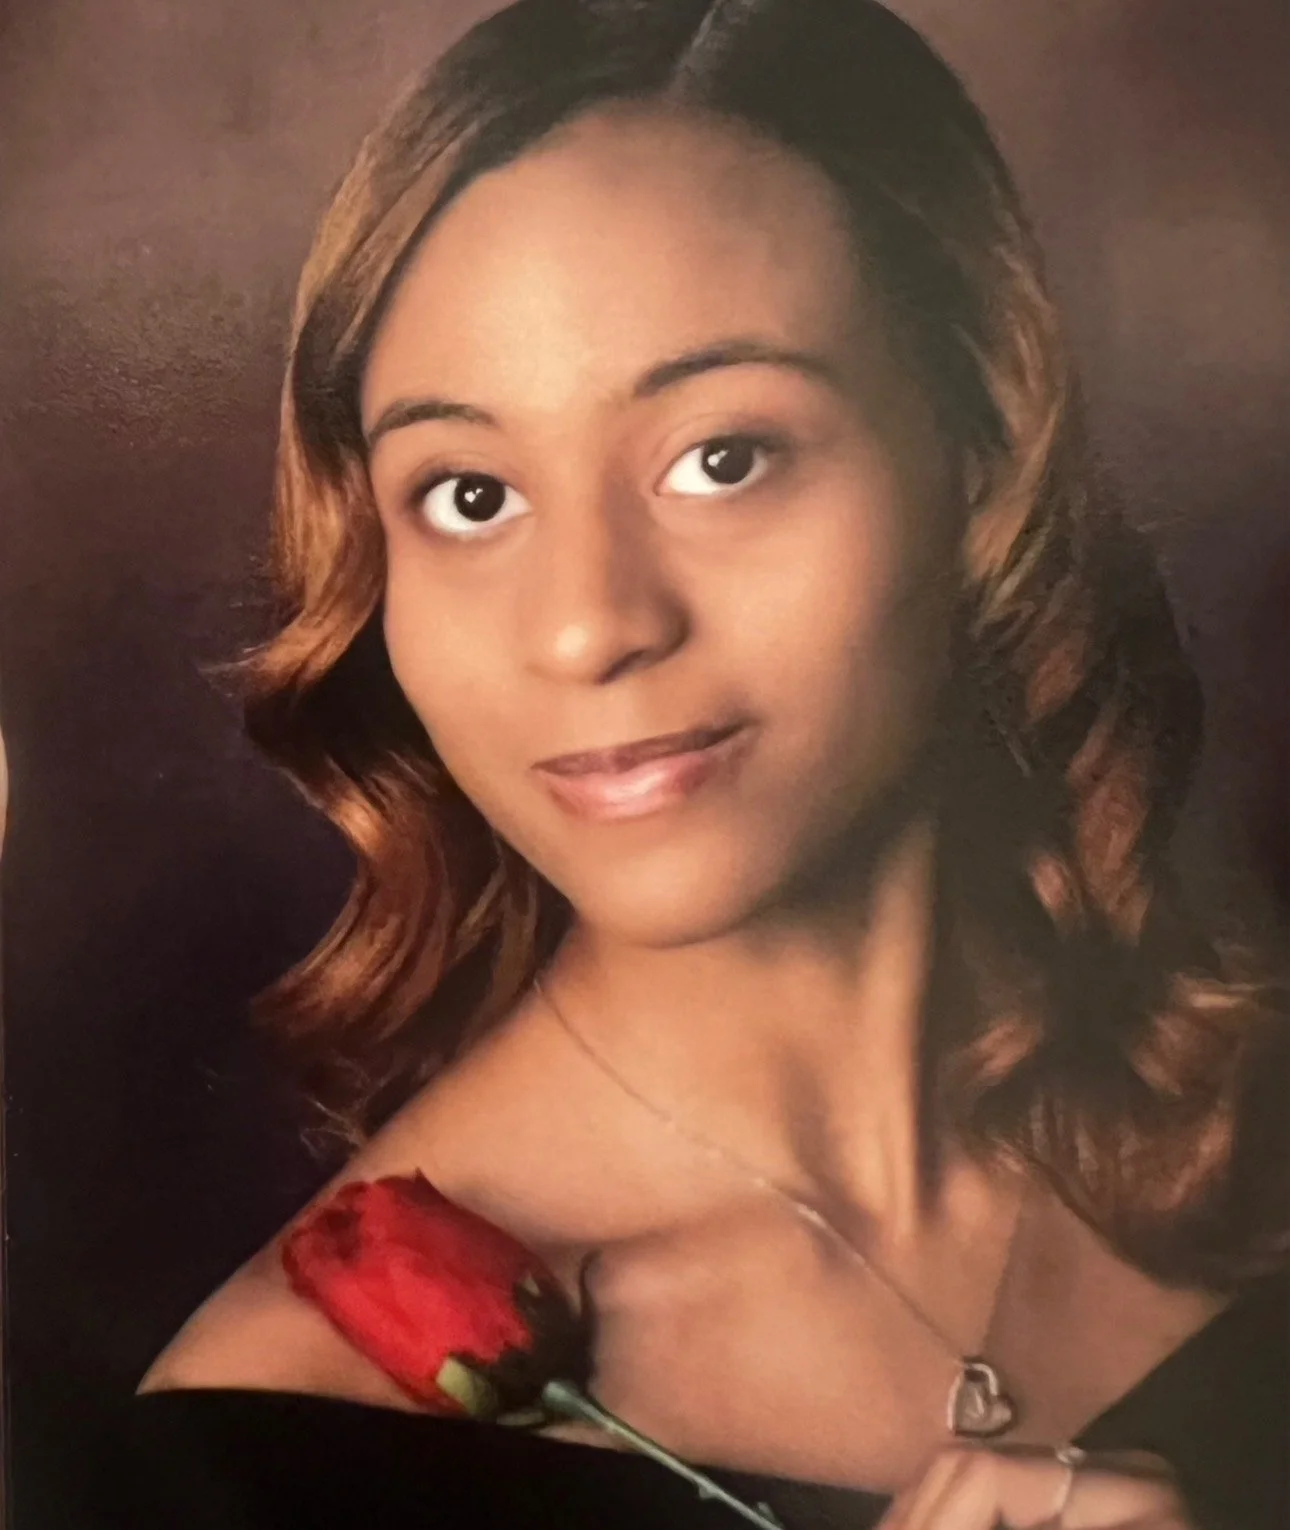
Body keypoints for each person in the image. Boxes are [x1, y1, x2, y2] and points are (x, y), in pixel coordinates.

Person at [118, 0, 1287, 1526]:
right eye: (469, 493)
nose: (591, 624)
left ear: (980, 455)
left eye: (720, 456)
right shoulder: (260, 1451)